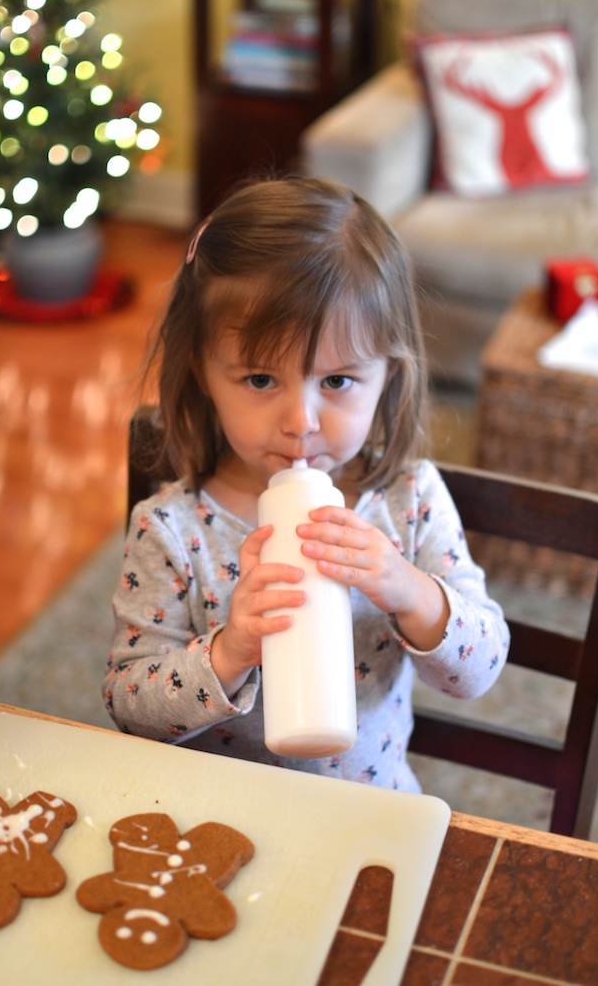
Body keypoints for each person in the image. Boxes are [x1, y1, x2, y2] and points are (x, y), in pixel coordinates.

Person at [104, 176, 509, 792]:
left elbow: (479, 671)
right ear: (204, 373)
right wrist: (230, 651)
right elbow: (128, 707)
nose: (301, 423)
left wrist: (409, 589)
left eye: (338, 382)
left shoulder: (409, 499)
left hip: (369, 809)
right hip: (217, 817)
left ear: (388, 376)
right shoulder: (172, 530)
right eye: (261, 381)